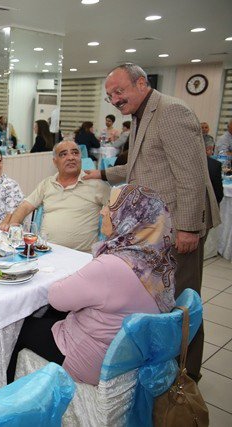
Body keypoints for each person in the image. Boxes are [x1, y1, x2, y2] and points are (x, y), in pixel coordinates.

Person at [84, 63, 220, 381]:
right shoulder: (142, 115)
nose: (115, 99)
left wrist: (187, 228)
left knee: (181, 304)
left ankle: (187, 376)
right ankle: (163, 369)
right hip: (156, 228)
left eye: (119, 91)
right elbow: (140, 165)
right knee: (161, 299)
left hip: (177, 228)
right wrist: (100, 173)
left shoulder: (171, 111)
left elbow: (191, 175)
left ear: (142, 83)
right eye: (110, 95)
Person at [7, 184, 175, 385]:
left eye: (110, 206)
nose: (103, 211)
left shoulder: (111, 265)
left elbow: (57, 298)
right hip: (130, 355)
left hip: (93, 359)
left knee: (18, 328)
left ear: (129, 218)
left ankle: (12, 396)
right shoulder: (160, 262)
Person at [0, 140, 110, 253]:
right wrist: (13, 226)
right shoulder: (47, 184)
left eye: (75, 153)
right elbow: (25, 206)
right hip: (46, 251)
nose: (71, 157)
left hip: (81, 256)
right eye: (63, 154)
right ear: (55, 161)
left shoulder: (96, 185)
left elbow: (119, 212)